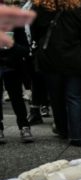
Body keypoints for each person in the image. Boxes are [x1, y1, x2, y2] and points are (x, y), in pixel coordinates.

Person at [32, 0, 81, 147]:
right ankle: (77, 136)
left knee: (56, 97)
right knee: (75, 98)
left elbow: (34, 32)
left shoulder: (40, 7)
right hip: (73, 57)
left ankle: (62, 130)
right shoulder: (77, 8)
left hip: (49, 58)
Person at [0, 1, 33, 144]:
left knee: (16, 98)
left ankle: (24, 126)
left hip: (12, 65)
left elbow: (25, 48)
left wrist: (11, 45)